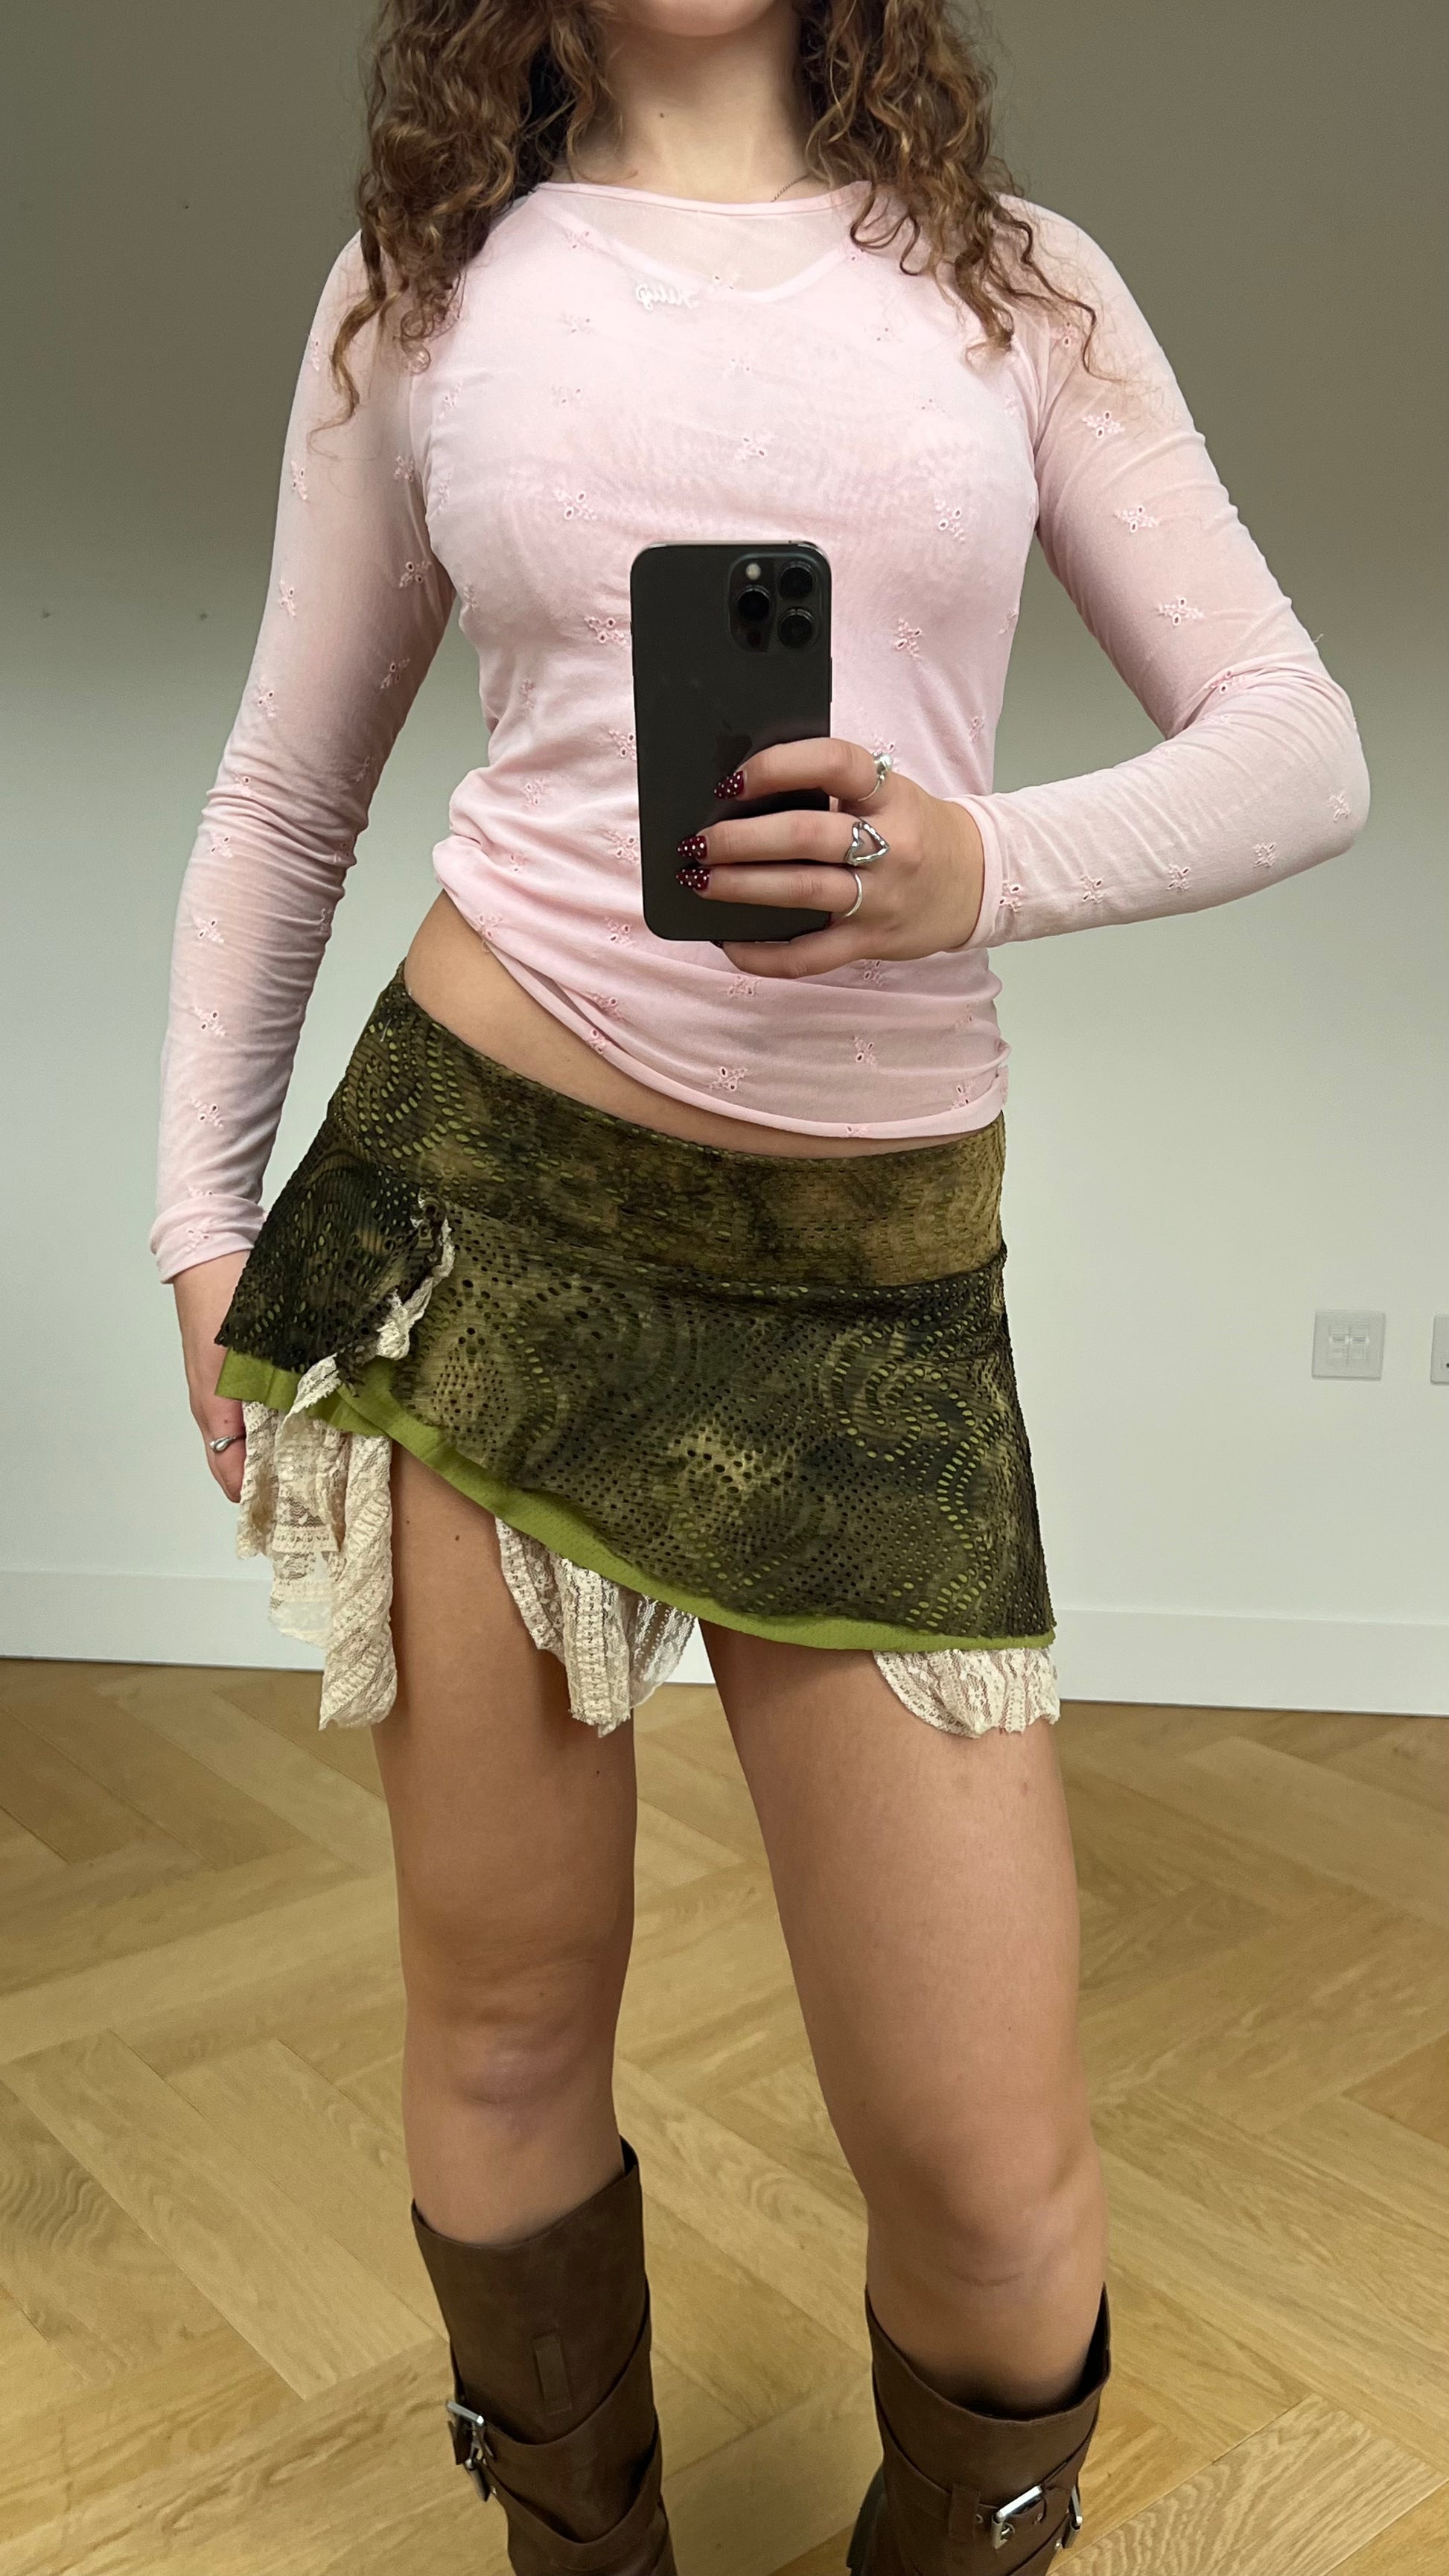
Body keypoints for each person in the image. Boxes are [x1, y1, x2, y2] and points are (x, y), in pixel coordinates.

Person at [154, 4, 1369, 2569]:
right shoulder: (425, 284)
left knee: (988, 2172)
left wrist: (974, 866)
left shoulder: (1014, 287)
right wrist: (200, 1210)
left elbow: (1296, 738)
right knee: (501, 2022)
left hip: (861, 1283)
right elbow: (284, 787)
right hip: (479, 1225)